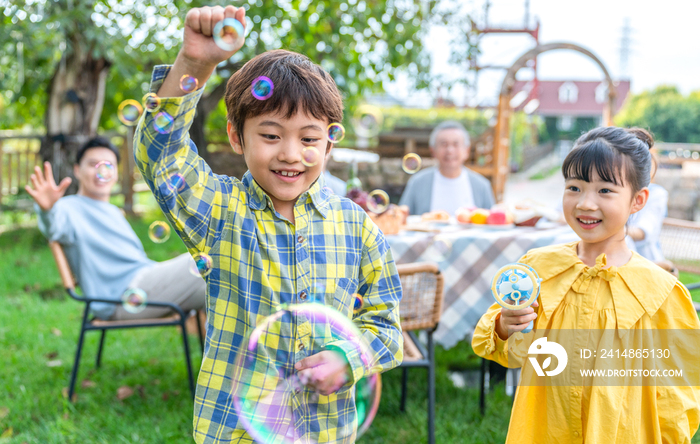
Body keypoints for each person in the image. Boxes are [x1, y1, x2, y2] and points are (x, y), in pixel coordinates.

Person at [132, 6, 402, 443]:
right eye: (272, 135)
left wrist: (348, 356)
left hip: (324, 430)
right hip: (233, 429)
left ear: (329, 140)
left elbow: (387, 325)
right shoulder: (220, 210)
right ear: (238, 137)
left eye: (309, 138)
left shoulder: (357, 227)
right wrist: (195, 64)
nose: (291, 153)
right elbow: (160, 158)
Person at [472, 127, 700, 443]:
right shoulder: (537, 269)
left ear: (638, 200)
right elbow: (503, 352)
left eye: (605, 190)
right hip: (545, 431)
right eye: (575, 187)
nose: (585, 204)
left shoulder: (661, 293)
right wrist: (503, 326)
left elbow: (679, 394)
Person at [26, 137, 206, 321]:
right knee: (209, 259)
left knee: (225, 284)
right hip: (122, 295)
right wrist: (47, 210)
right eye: (93, 164)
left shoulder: (112, 211)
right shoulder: (68, 208)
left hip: (146, 282)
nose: (101, 171)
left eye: (108, 166)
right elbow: (53, 227)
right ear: (77, 170)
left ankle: (228, 349)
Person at [399, 120, 495, 215]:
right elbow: (402, 216)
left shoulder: (482, 185)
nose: (450, 150)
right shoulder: (418, 183)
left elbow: (492, 223)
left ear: (467, 150)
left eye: (456, 144)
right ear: (433, 151)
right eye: (444, 144)